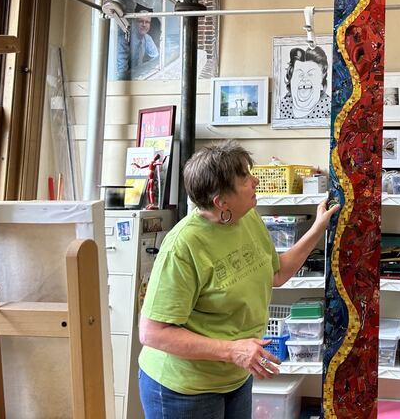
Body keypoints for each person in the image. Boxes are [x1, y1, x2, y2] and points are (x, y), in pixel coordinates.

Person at [137, 140, 339, 418]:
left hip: (235, 377)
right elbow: (152, 333)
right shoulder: (183, 247)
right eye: (244, 178)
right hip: (183, 389)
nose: (255, 180)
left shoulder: (247, 218)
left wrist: (318, 228)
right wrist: (232, 350)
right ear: (222, 202)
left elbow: (277, 273)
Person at [278, 46, 331, 119]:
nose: (305, 78)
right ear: (291, 80)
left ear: (321, 83)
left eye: (311, 74)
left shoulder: (328, 109)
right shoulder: (282, 106)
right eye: (300, 74)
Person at [116, 6, 160, 79]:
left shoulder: (147, 38)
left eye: (147, 22)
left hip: (139, 77)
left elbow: (156, 58)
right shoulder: (124, 40)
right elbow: (122, 72)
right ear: (135, 23)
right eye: (141, 21)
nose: (144, 25)